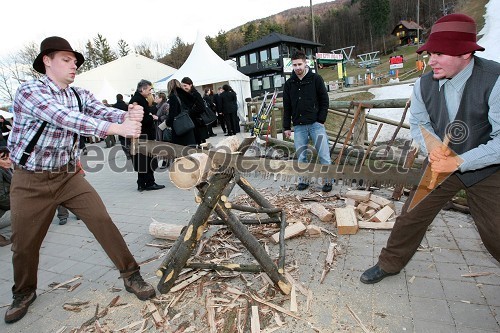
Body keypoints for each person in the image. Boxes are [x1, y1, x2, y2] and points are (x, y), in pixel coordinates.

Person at [4, 36, 156, 324]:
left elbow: (100, 111)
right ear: (47, 61)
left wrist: (128, 113)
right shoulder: (30, 91)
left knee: (102, 221)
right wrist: (118, 127)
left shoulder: (79, 94)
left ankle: (131, 275)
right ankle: (24, 291)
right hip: (29, 180)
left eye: (74, 61)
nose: (73, 65)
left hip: (67, 175)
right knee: (24, 243)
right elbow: (63, 118)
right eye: (66, 59)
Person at [360, 14, 500, 284]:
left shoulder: (495, 81)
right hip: (441, 162)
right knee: (411, 216)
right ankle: (390, 263)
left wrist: (459, 162)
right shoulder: (423, 85)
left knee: (496, 231)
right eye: (430, 53)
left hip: (488, 167)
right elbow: (419, 124)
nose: (430, 60)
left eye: (440, 53)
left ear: (467, 53)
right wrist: (433, 147)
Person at [282, 50, 332, 192]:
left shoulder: (316, 79)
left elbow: (324, 100)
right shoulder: (289, 84)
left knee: (324, 155)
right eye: (294, 65)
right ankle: (304, 181)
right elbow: (287, 107)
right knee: (301, 157)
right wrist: (286, 127)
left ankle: (328, 181)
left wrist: (321, 119)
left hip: (316, 124)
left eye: (299, 64)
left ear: (305, 63)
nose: (297, 67)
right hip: (299, 127)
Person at [129, 79, 164, 191]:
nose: (150, 92)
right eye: (149, 89)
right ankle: (149, 182)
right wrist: (151, 117)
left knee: (142, 159)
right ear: (142, 89)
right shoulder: (138, 100)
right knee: (147, 159)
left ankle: (141, 183)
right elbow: (141, 118)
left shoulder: (137, 99)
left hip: (140, 134)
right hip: (144, 134)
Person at [166, 79, 197, 147]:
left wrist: (167, 122)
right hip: (187, 124)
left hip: (180, 128)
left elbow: (173, 114)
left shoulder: (173, 97)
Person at [180, 77, 209, 145]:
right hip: (191, 123)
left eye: (185, 86)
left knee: (199, 143)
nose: (184, 88)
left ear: (190, 85)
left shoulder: (195, 94)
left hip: (197, 123)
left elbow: (201, 108)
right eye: (182, 86)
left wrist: (189, 112)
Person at [0, 146, 12, 247]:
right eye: (4, 159)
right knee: (28, 213)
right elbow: (1, 199)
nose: (9, 162)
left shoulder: (6, 170)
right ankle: (3, 236)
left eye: (9, 158)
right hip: (1, 213)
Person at [113, 93, 132, 160]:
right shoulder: (126, 106)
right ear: (122, 98)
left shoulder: (114, 106)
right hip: (127, 124)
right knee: (128, 139)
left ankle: (127, 153)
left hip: (119, 125)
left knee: (122, 140)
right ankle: (130, 151)